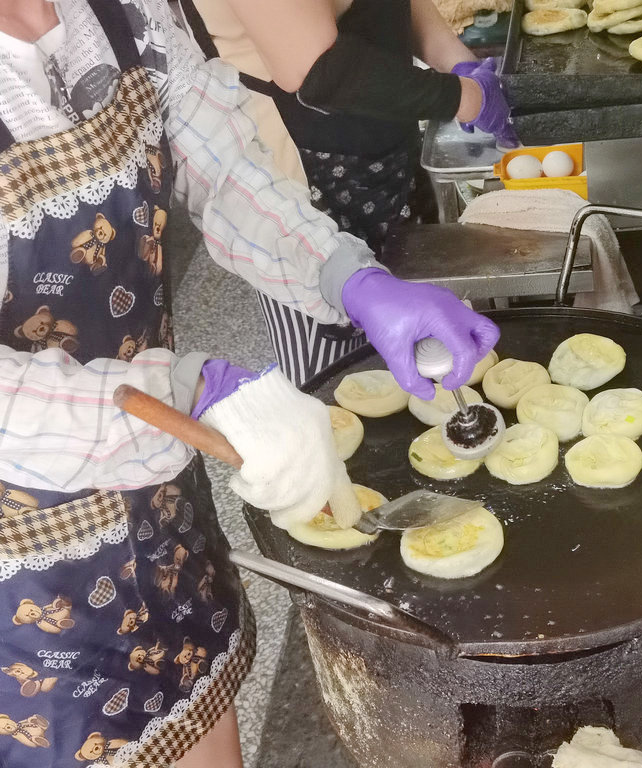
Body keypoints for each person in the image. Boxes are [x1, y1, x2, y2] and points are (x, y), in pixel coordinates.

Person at [0, 0, 498, 766]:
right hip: (24, 578)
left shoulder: (123, 12)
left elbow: (227, 172)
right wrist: (186, 391)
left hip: (160, 504)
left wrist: (348, 276)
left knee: (203, 724)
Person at [179, 0, 516, 385]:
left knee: (424, 328)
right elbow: (319, 69)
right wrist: (465, 97)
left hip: (384, 137)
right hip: (301, 173)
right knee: (344, 376)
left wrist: (454, 60)